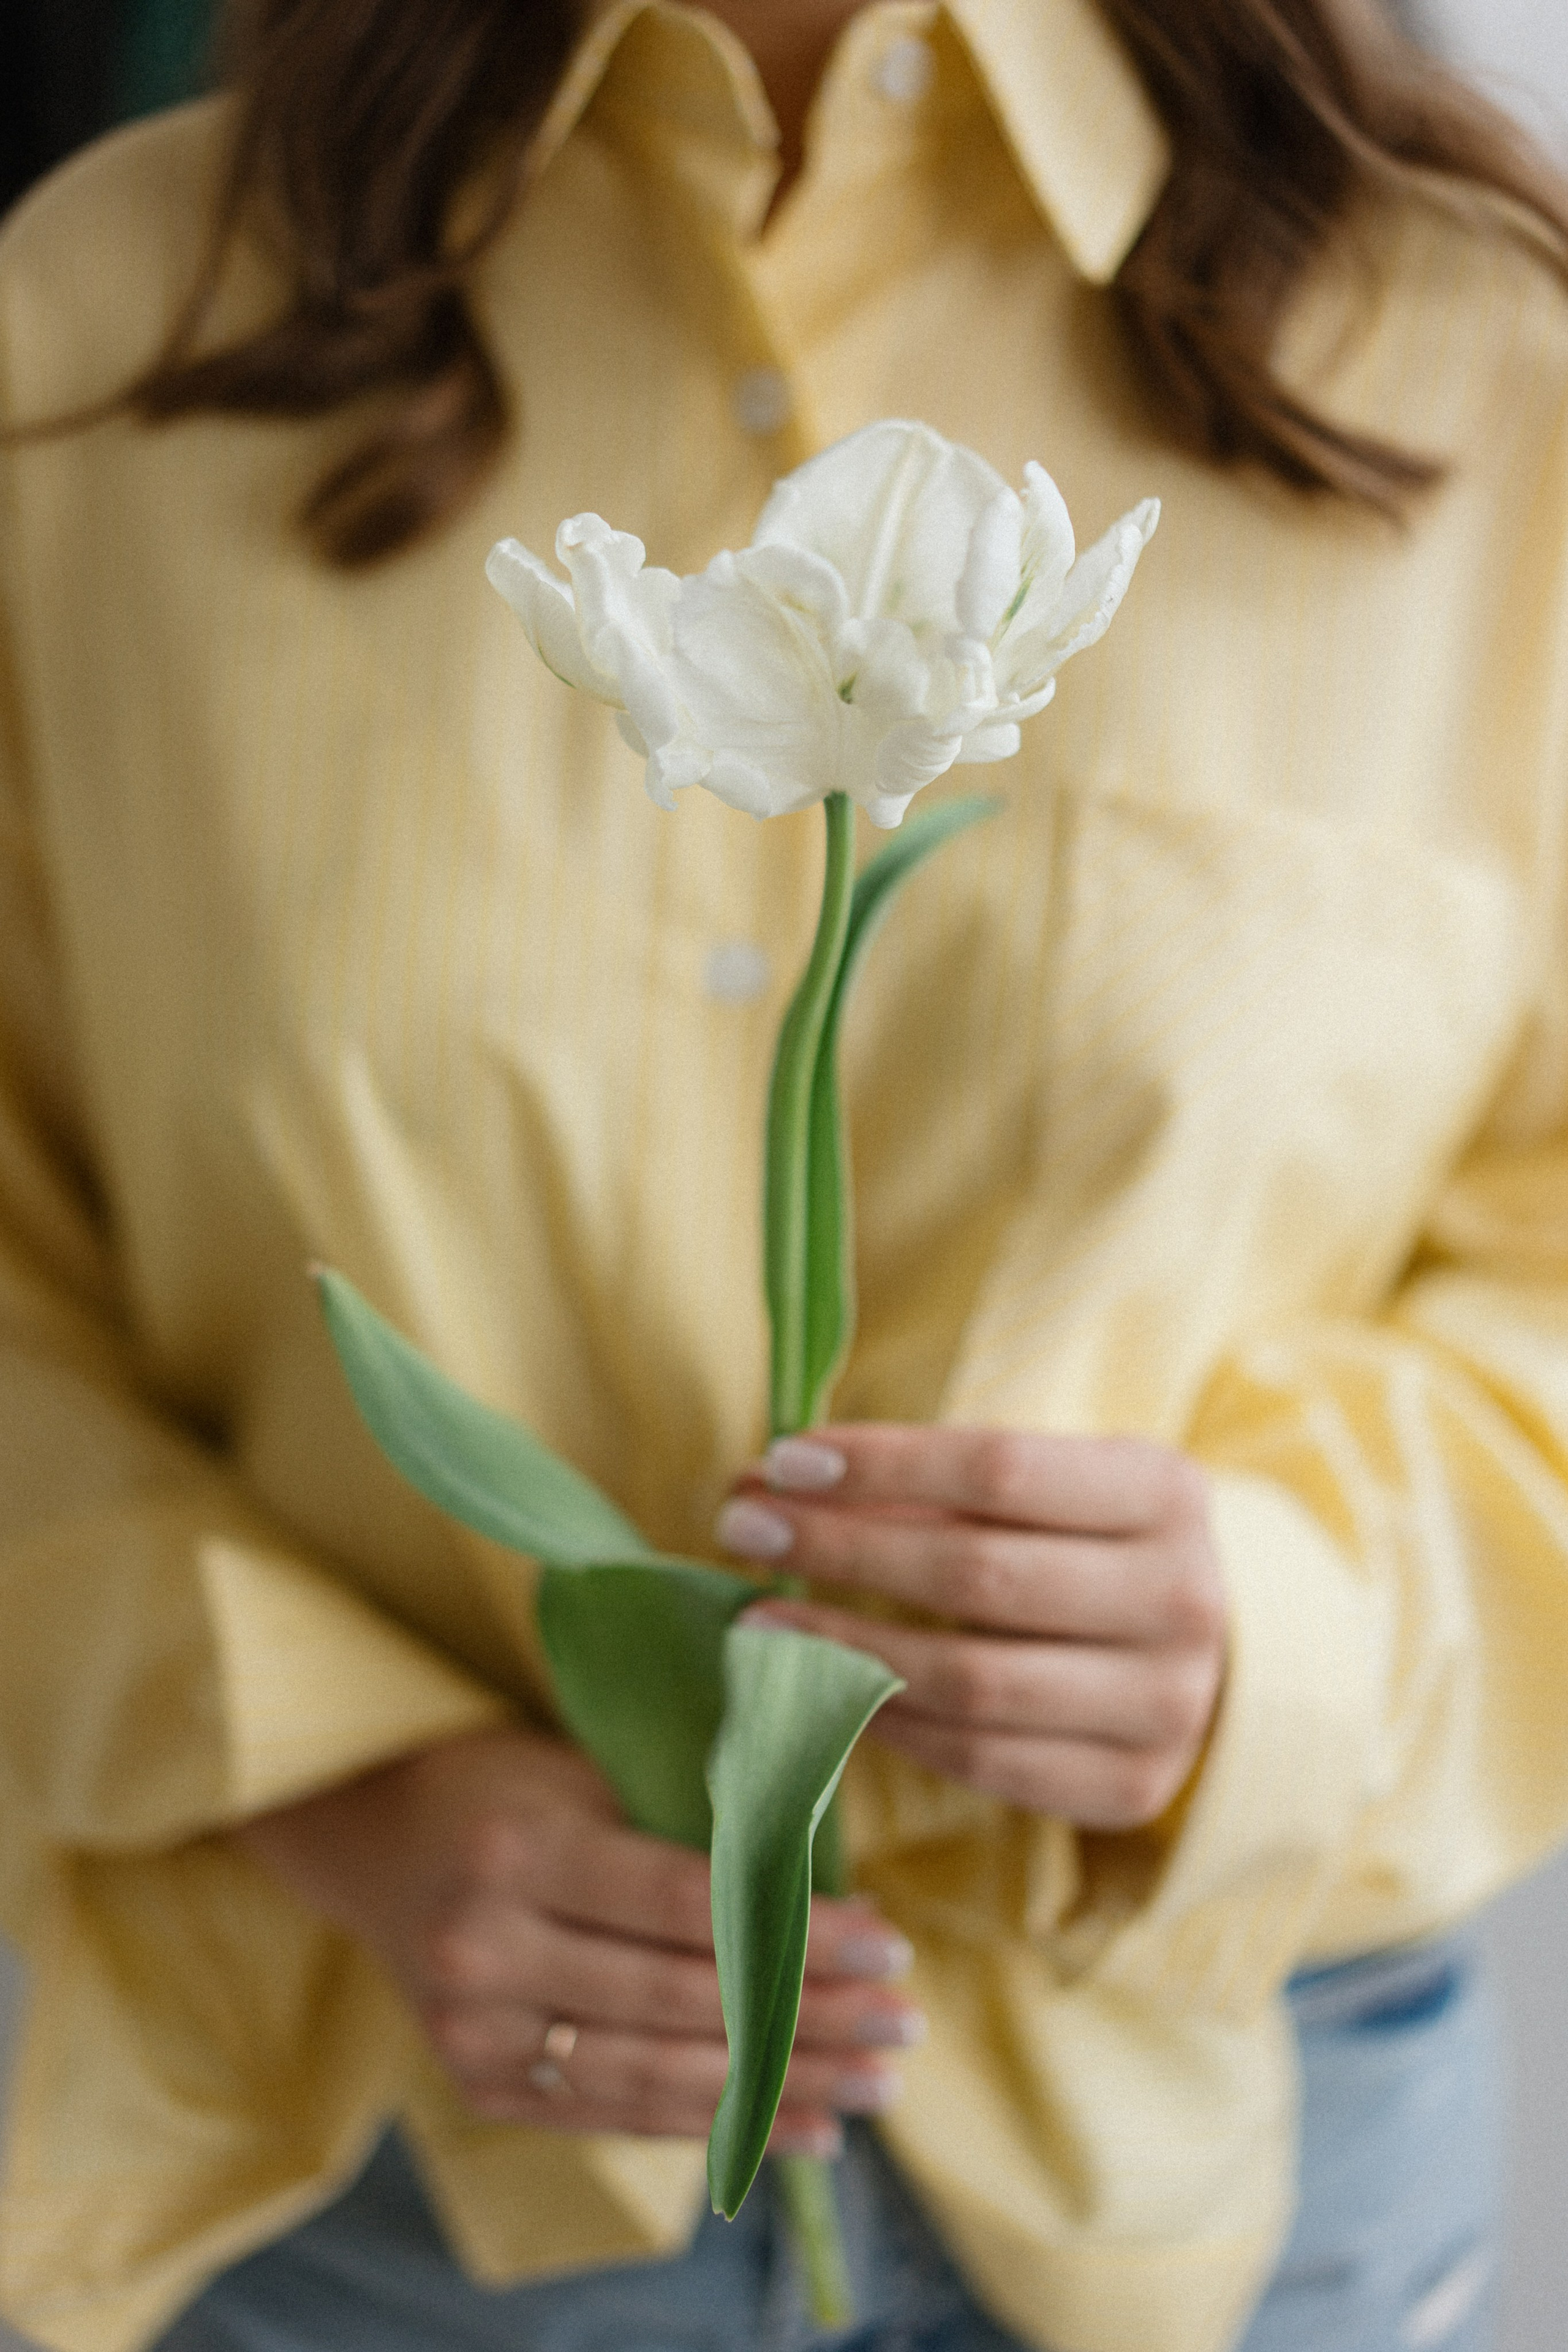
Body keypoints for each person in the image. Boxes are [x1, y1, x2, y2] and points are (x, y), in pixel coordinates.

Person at [2, 1, 1567, 2348]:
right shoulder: (107, 339)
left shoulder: (1483, 363)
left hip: (1227, 2162)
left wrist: (1280, 1634)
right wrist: (347, 1788)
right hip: (399, 2164)